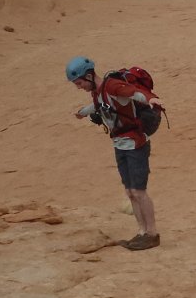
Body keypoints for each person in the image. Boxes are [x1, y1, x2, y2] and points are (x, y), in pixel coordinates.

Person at [66, 56, 164, 251]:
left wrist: (151, 99)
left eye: (79, 83)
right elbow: (98, 105)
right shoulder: (98, 92)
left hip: (135, 144)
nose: (79, 87)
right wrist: (82, 112)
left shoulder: (112, 86)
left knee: (139, 192)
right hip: (120, 144)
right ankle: (142, 232)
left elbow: (134, 93)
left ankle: (152, 234)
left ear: (88, 76)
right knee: (130, 192)